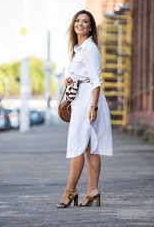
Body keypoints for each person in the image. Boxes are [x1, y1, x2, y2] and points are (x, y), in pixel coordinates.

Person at [57, 10, 113, 208]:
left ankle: (70, 190)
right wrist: (71, 79)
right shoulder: (79, 49)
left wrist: (93, 107)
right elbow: (84, 75)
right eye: (77, 21)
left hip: (89, 101)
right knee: (90, 147)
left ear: (90, 28)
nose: (80, 24)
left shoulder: (90, 49)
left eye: (85, 21)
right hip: (81, 98)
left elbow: (96, 80)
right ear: (74, 25)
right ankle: (92, 189)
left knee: (77, 146)